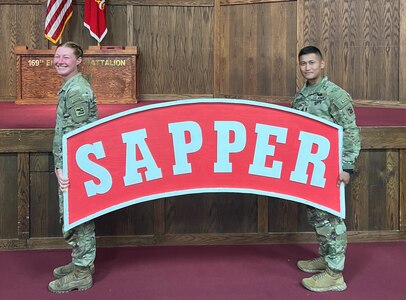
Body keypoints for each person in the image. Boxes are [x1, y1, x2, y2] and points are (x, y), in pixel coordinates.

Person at [292, 46, 360, 292]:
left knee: (332, 218)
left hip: (332, 169)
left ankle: (335, 273)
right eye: (303, 63)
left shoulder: (336, 95)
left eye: (312, 62)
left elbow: (351, 131)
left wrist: (347, 167)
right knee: (317, 215)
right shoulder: (300, 96)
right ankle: (326, 257)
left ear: (322, 64)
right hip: (310, 167)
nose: (307, 67)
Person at [48, 41, 98, 293]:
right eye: (57, 56)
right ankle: (81, 263)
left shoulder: (77, 90)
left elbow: (77, 136)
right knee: (73, 215)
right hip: (72, 162)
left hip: (75, 165)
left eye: (66, 57)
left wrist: (62, 168)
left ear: (79, 61)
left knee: (78, 216)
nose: (60, 60)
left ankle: (81, 272)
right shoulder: (70, 86)